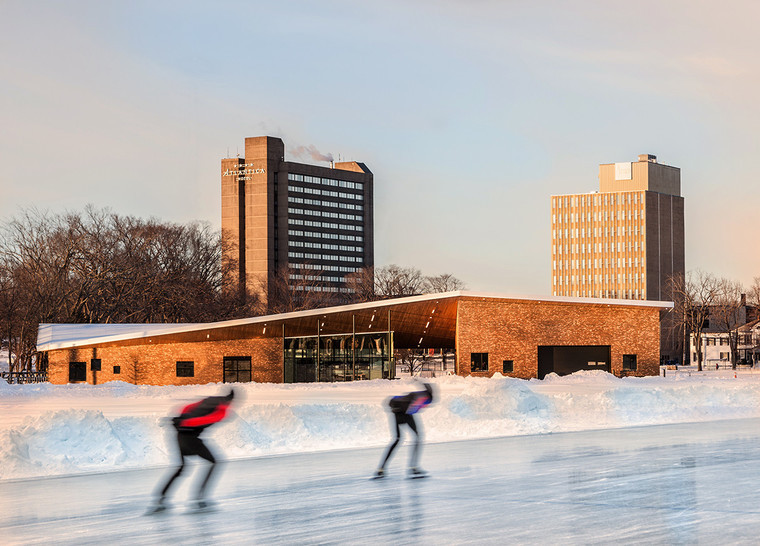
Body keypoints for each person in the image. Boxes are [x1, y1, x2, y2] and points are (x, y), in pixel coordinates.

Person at [150, 388, 235, 513]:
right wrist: (185, 422)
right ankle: (199, 498)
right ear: (231, 400)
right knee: (213, 462)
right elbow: (205, 420)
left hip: (180, 435)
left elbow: (187, 407)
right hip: (190, 436)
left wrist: (180, 419)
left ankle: (161, 498)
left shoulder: (209, 400)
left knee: (182, 467)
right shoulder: (222, 410)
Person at [373, 382, 434, 479]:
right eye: (427, 404)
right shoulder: (423, 398)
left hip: (397, 412)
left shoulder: (417, 395)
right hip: (404, 413)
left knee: (397, 439)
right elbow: (413, 407)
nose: (426, 406)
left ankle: (381, 469)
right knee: (417, 437)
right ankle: (413, 467)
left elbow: (426, 388)